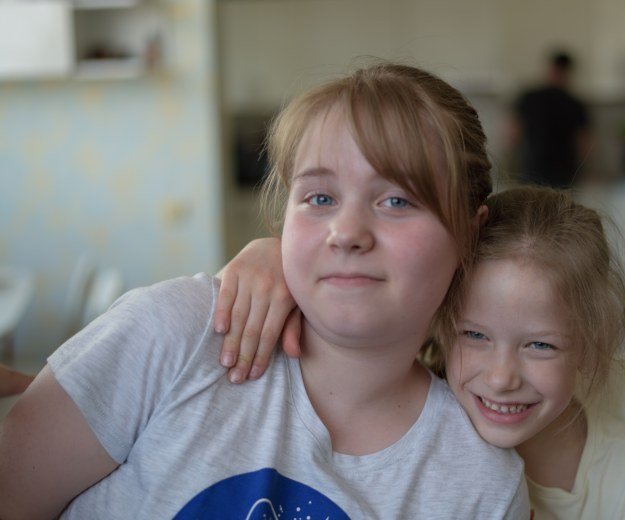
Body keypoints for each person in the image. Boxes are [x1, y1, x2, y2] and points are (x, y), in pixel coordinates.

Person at [0, 63, 529, 519]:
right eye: (320, 198)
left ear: (470, 232)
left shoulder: (482, 484)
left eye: (397, 201)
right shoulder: (175, 332)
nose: (346, 233)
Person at [216, 186, 625, 519]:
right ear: (436, 317)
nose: (501, 377)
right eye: (474, 335)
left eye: (540, 345)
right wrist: (273, 258)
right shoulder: (396, 419)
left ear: (592, 341)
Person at [506, 49, 591, 188]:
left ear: (551, 68)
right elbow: (584, 144)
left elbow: (513, 135)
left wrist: (509, 162)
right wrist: (584, 171)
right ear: (568, 72)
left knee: (531, 202)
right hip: (564, 175)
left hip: (533, 171)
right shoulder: (575, 104)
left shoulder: (529, 98)